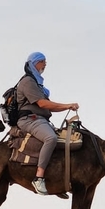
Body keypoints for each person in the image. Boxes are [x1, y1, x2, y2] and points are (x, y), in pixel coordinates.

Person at [15, 51, 79, 195]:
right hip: (29, 119)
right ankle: (39, 178)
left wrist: (66, 107)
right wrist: (67, 105)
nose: (45, 64)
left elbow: (49, 107)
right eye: (43, 61)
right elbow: (42, 104)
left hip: (40, 120)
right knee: (51, 138)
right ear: (35, 63)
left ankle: (55, 180)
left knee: (63, 141)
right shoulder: (28, 82)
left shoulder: (37, 84)